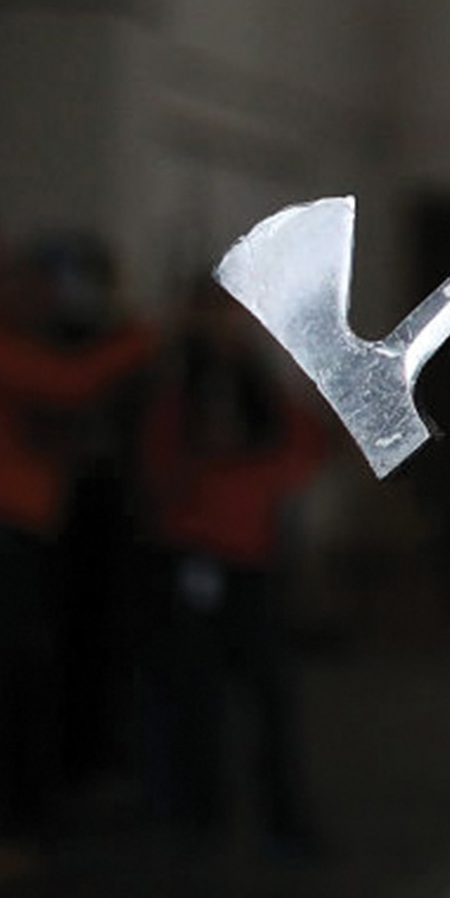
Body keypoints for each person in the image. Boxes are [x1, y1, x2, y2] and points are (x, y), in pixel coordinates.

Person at [0, 207, 156, 856]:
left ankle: (2, 824)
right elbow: (67, 383)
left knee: (16, 687)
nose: (6, 279)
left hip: (12, 540)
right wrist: (143, 335)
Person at [138, 279, 327, 855]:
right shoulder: (179, 387)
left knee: (270, 694)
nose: (225, 327)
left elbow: (304, 445)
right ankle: (199, 815)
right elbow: (158, 471)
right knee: (197, 694)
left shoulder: (258, 386)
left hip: (250, 558)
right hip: (196, 555)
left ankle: (280, 818)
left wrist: (257, 482)